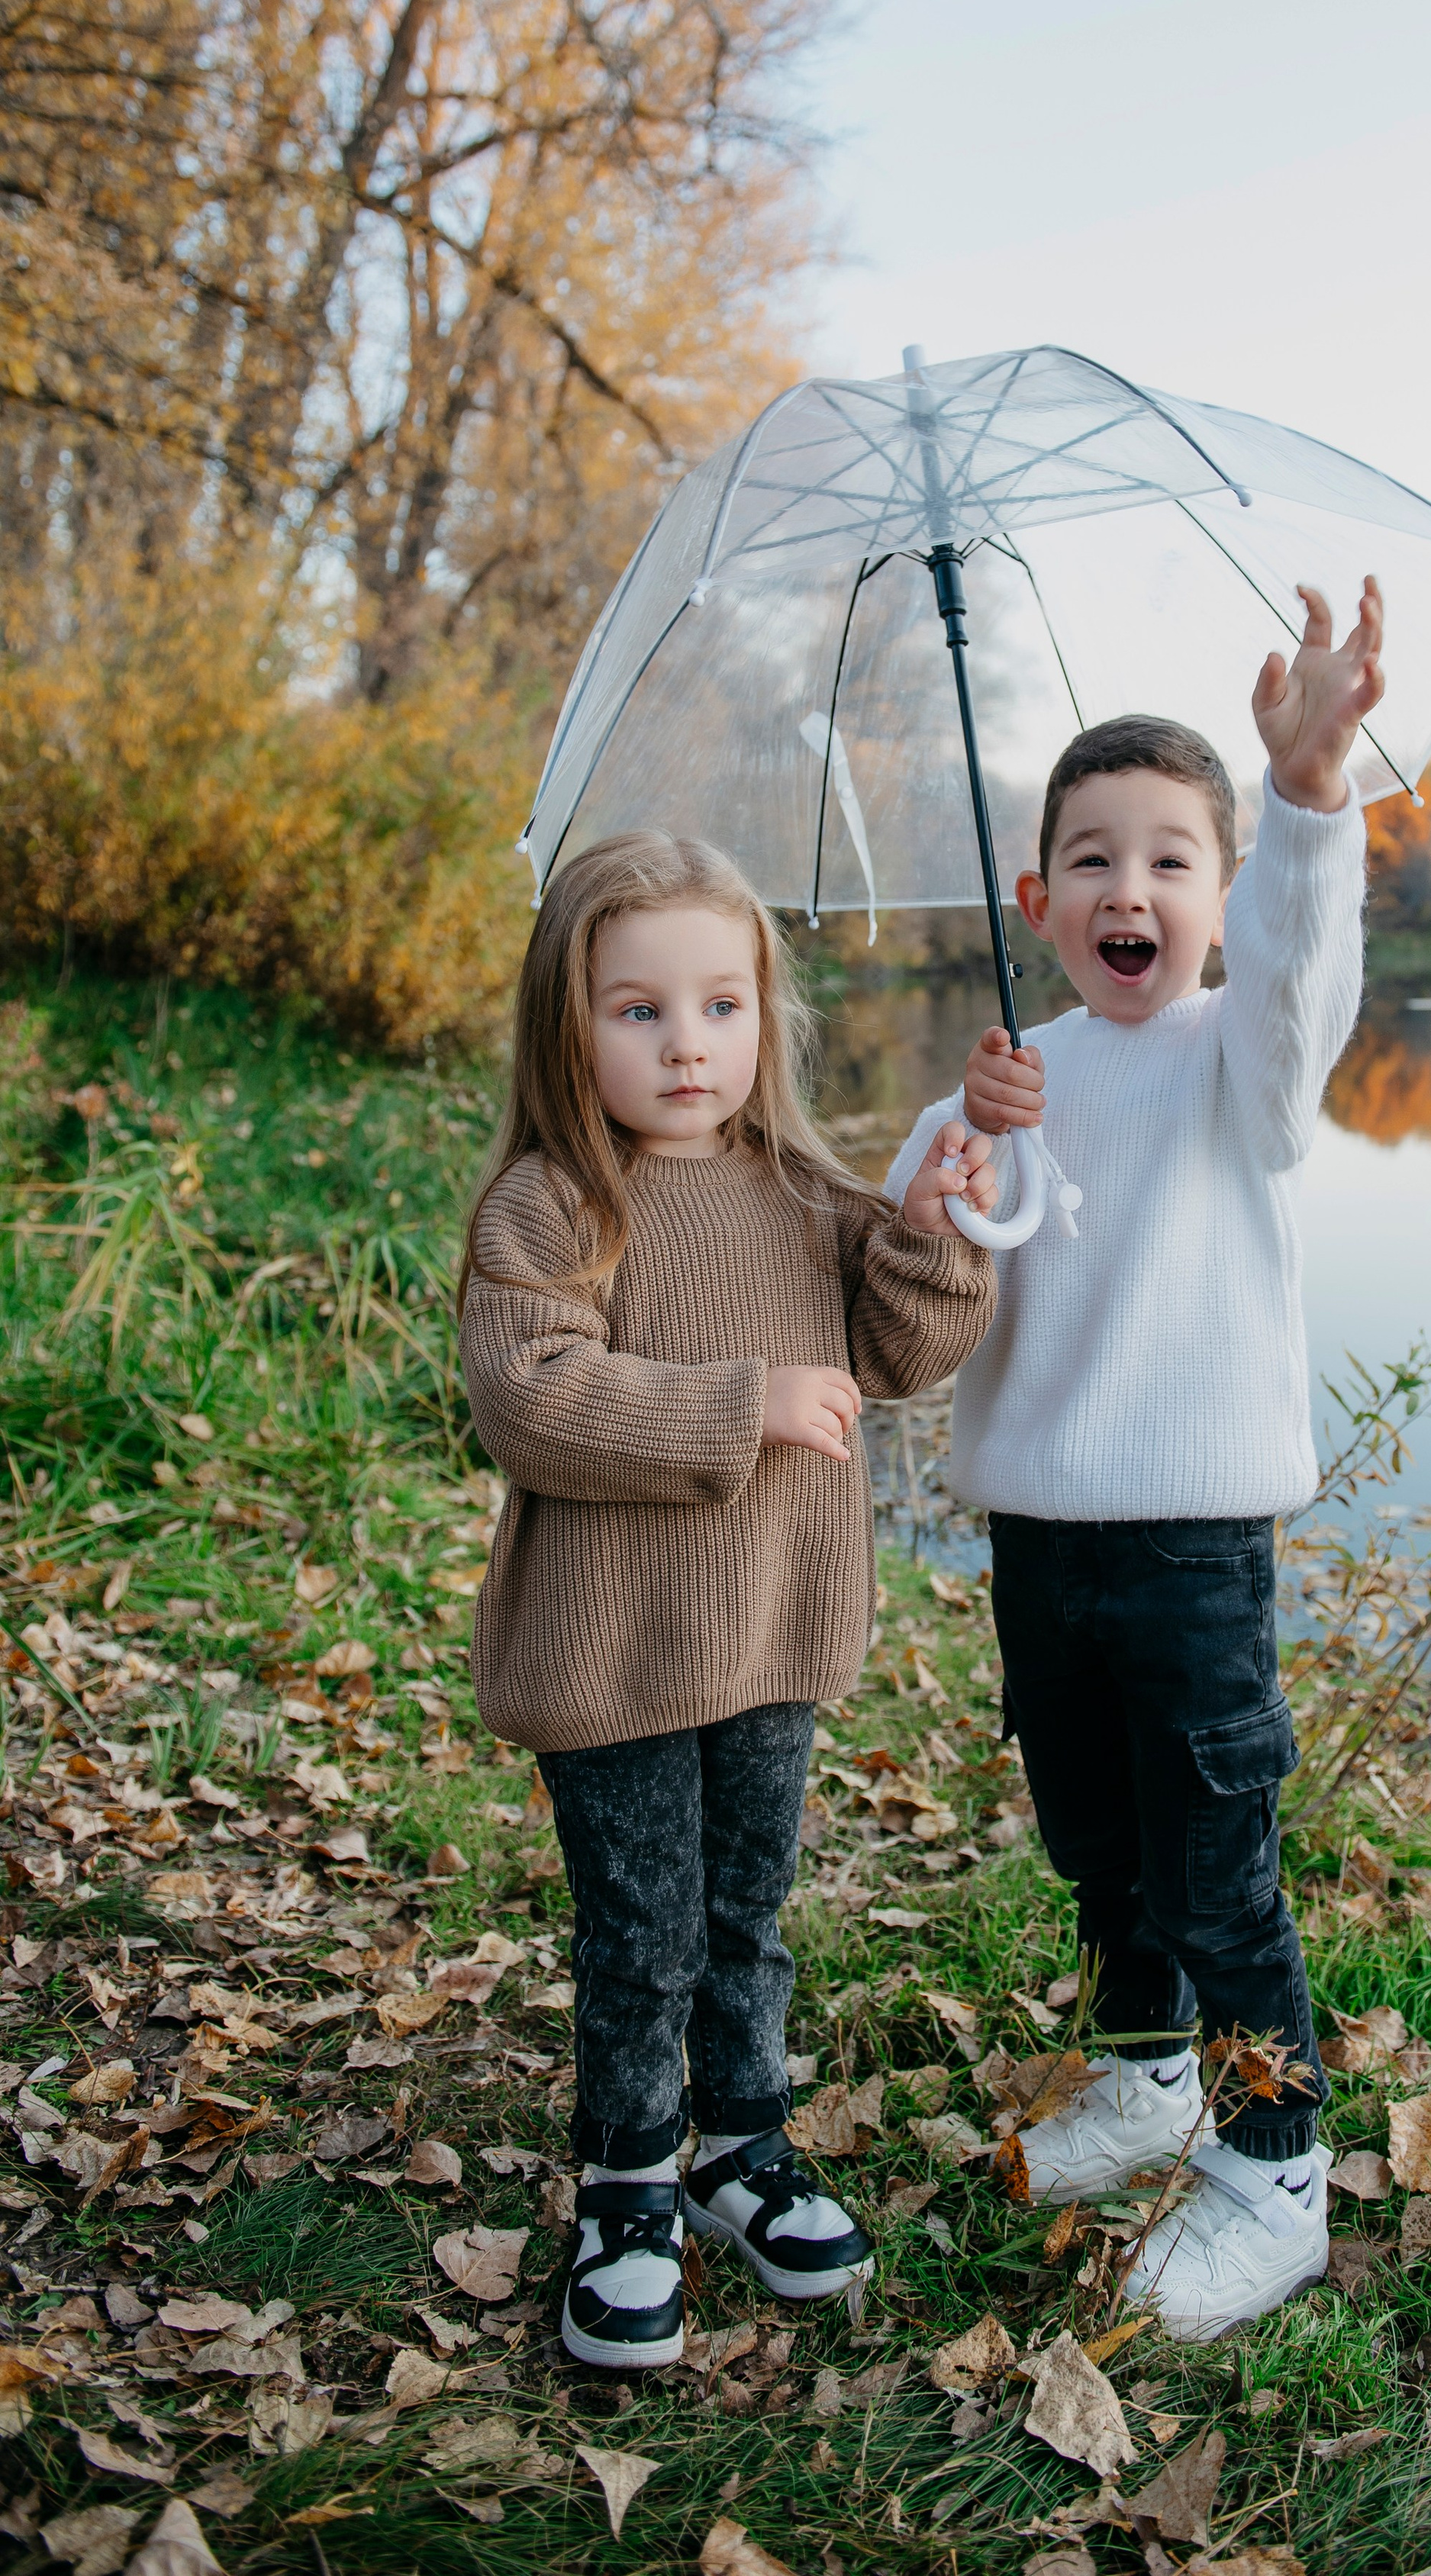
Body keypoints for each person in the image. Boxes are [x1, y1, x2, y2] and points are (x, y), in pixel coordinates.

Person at [886, 578, 1383, 2343]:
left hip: (1190, 1550)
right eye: (1090, 858)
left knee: (1212, 1866)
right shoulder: (999, 1086)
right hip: (1036, 1533)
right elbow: (906, 1283)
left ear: (1218, 901)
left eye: (1172, 860)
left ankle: (1271, 2175)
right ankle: (1150, 2073)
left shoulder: (1232, 1068)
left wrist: (1307, 792)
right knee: (1094, 1840)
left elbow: (1298, 1008)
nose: (1128, 890)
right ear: (1034, 900)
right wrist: (951, 1157)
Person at [459, 830, 998, 2370]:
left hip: (769, 1633)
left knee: (745, 1913)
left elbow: (902, 1356)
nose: (685, 1044)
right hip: (614, 1648)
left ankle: (738, 2146)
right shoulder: (551, 1207)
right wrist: (736, 1401)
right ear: (567, 1025)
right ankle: (627, 2177)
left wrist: (931, 1234)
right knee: (644, 1928)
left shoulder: (803, 1191)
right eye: (636, 1010)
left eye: (719, 1006)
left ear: (766, 1020)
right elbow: (530, 1394)